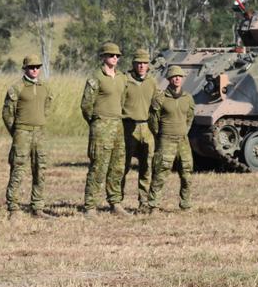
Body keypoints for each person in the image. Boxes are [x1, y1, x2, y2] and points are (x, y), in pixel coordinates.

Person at [2, 54, 54, 218]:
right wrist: (17, 132)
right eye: (31, 67)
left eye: (37, 67)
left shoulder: (45, 87)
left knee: (40, 169)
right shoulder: (16, 88)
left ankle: (37, 206)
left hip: (40, 133)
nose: (35, 70)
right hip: (22, 133)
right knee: (18, 169)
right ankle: (13, 208)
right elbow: (7, 114)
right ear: (25, 68)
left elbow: (47, 107)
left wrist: (40, 122)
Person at [80, 42, 127, 216]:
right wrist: (96, 122)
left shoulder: (122, 77)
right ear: (103, 57)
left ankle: (115, 203)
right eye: (111, 55)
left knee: (117, 166)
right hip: (101, 126)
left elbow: (122, 101)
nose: (115, 58)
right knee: (98, 166)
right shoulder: (96, 77)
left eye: (117, 56)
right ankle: (90, 205)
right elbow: (86, 105)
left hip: (118, 125)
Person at [146, 65, 194, 212]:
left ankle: (185, 205)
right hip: (166, 140)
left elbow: (190, 118)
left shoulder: (188, 98)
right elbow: (153, 120)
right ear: (168, 79)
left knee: (187, 174)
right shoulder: (160, 98)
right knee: (160, 173)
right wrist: (160, 135)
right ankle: (154, 205)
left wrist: (184, 131)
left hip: (183, 140)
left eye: (179, 76)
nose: (177, 79)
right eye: (174, 76)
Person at [120, 48, 158, 212]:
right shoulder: (124, 80)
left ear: (148, 65)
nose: (142, 66)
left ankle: (144, 202)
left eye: (144, 63)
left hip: (146, 127)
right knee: (122, 166)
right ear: (133, 64)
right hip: (128, 126)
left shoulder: (152, 81)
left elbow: (156, 104)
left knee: (146, 166)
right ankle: (117, 202)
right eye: (138, 63)